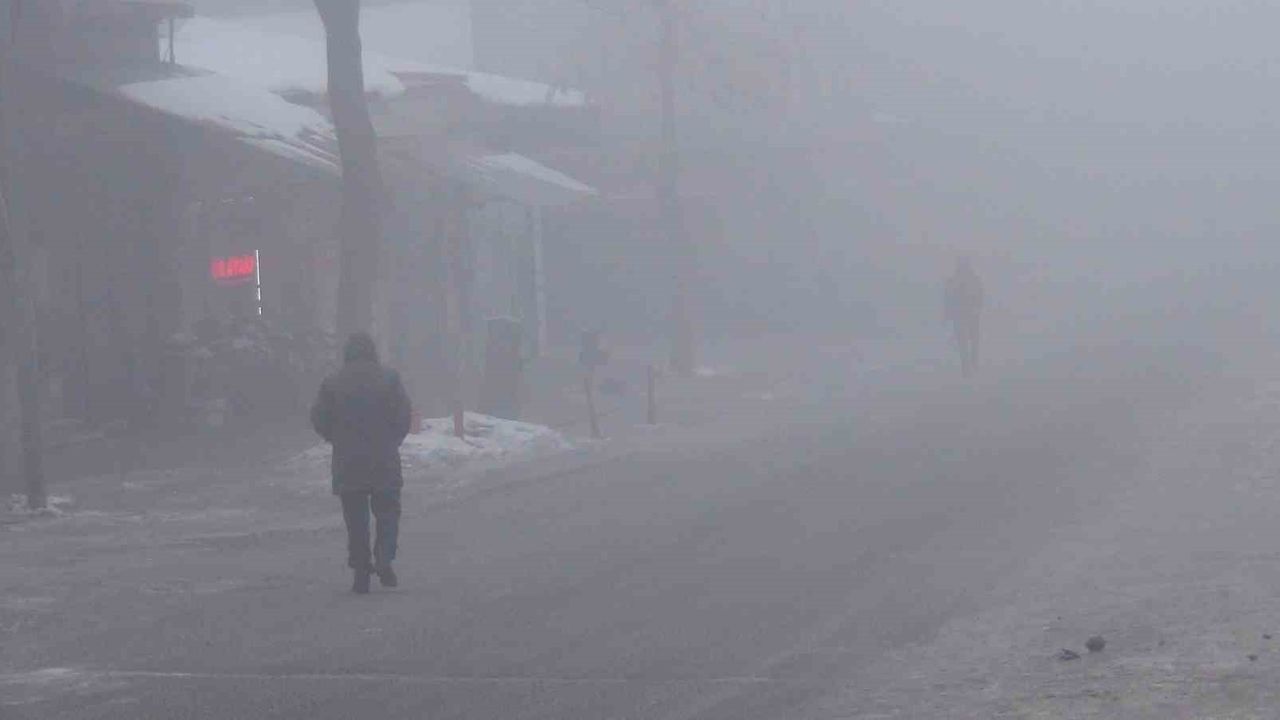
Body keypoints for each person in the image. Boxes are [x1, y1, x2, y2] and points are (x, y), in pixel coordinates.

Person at [311, 332, 412, 594]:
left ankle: (360, 569)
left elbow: (319, 418)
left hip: (348, 460)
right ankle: (384, 557)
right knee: (387, 512)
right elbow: (404, 415)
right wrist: (392, 439)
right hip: (384, 458)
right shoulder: (389, 379)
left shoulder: (332, 383)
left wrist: (335, 437)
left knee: (355, 518)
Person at [944, 257, 984, 378]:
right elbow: (948, 298)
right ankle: (970, 365)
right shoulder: (971, 279)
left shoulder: (956, 280)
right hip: (966, 315)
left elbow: (948, 298)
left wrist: (947, 313)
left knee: (967, 341)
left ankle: (969, 365)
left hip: (966, 315)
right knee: (969, 341)